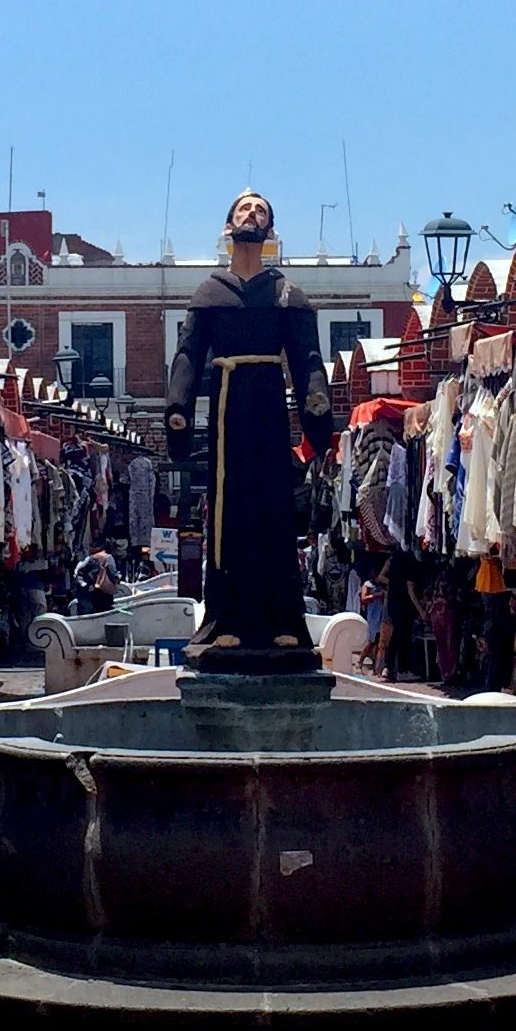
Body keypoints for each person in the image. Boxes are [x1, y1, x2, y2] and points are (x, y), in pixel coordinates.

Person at [163, 192, 333, 674]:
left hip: (267, 410)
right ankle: (225, 622)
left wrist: (316, 404)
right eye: (244, 209)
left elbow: (307, 360)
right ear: (228, 225)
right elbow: (187, 355)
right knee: (228, 510)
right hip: (225, 410)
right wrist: (178, 407)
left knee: (273, 509)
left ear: (271, 233)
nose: (252, 215)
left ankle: (284, 623)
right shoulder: (208, 293)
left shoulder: (288, 296)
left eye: (261, 211)